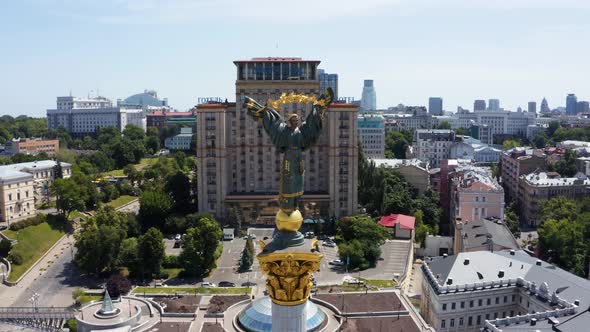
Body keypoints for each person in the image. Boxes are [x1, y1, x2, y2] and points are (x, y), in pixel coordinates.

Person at [243, 88, 333, 214]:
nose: (296, 122)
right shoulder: (284, 131)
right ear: (290, 121)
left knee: (298, 181)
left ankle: (295, 204)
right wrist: (264, 112)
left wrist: (317, 107)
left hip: (298, 158)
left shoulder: (302, 131)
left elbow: (312, 123)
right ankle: (287, 205)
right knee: (288, 180)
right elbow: (273, 123)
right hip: (289, 158)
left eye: (297, 121)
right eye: (294, 121)